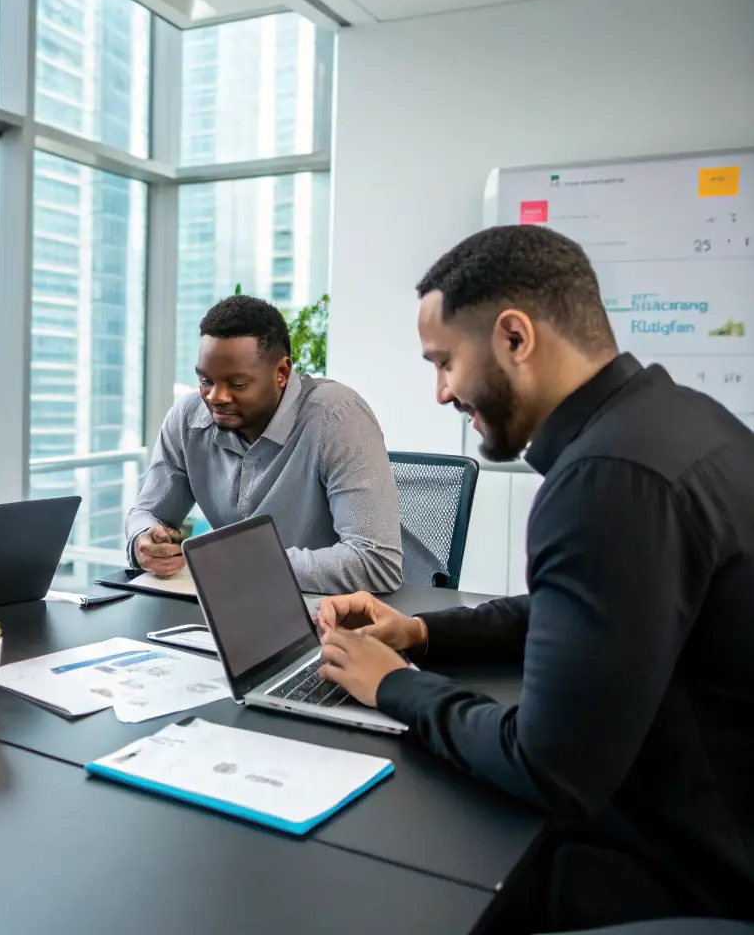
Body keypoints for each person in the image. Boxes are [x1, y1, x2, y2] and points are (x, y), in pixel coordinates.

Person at [316, 225, 754, 929]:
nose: (440, 392)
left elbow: (551, 768)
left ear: (513, 338)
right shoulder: (676, 423)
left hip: (694, 874)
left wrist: (392, 683)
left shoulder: (607, 480)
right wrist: (424, 632)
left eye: (444, 362)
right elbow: (585, 611)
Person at [125, 294, 402, 594]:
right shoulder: (188, 419)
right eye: (206, 381)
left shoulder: (335, 417)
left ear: (281, 373)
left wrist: (244, 564)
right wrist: (144, 541)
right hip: (248, 607)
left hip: (354, 615)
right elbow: (147, 512)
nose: (216, 396)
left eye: (237, 384)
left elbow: (376, 562)